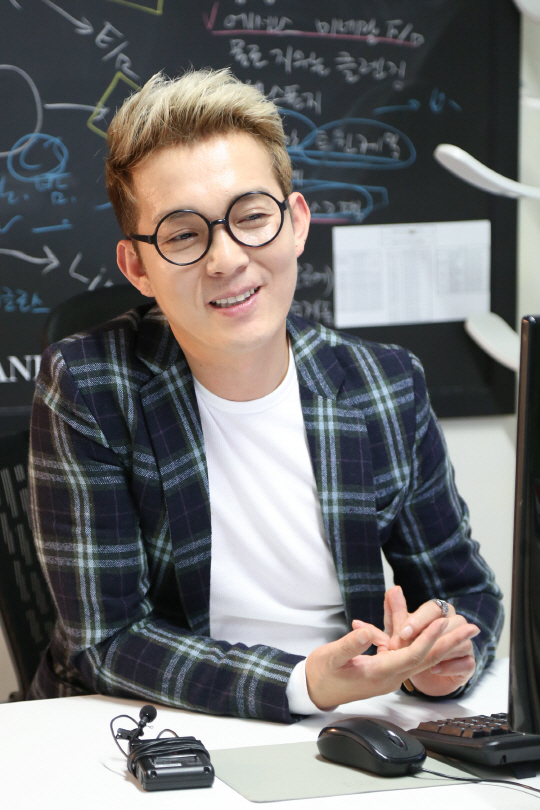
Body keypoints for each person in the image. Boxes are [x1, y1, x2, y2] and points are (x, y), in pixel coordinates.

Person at [28, 69, 503, 721]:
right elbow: (107, 640)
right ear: (138, 266)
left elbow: (464, 593)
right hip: (154, 722)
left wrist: (443, 657)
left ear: (296, 223)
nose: (226, 259)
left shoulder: (386, 384)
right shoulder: (90, 386)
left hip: (349, 723)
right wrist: (302, 684)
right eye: (183, 235)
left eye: (252, 217)